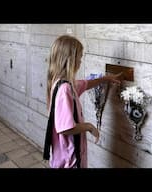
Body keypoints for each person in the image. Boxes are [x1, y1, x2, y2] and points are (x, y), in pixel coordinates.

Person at [45, 35, 121, 168]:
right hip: (70, 160)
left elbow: (85, 84)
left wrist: (106, 79)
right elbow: (65, 128)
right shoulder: (65, 89)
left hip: (65, 156)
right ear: (70, 60)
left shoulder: (62, 83)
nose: (81, 61)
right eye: (79, 57)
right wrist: (89, 127)